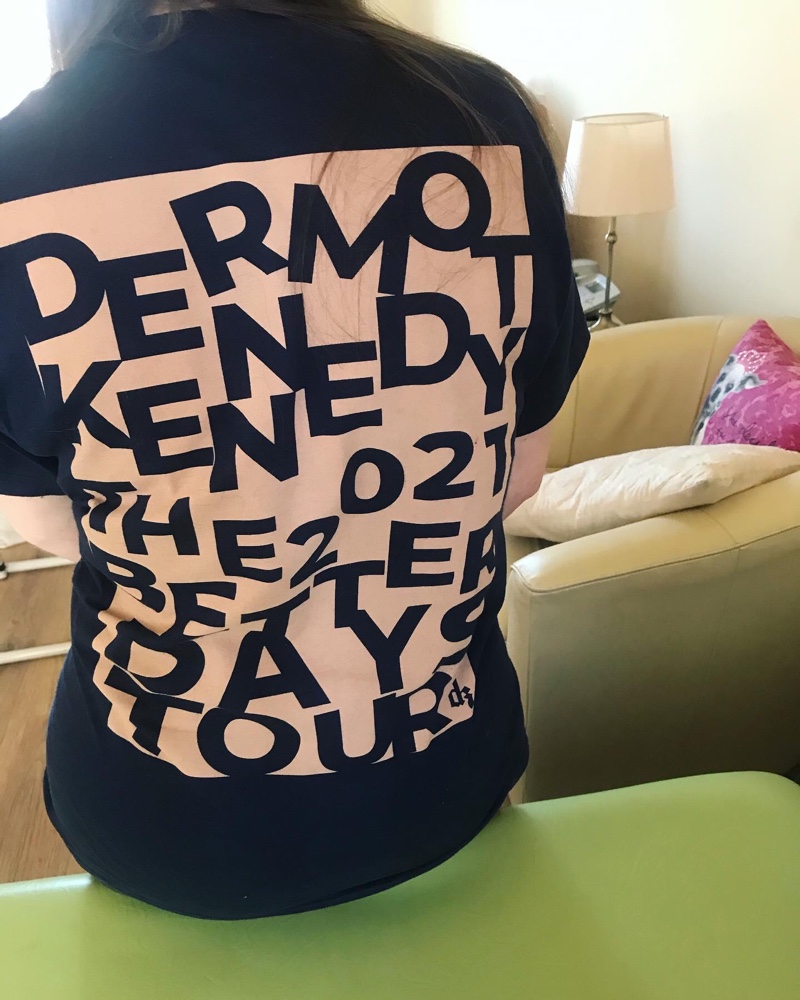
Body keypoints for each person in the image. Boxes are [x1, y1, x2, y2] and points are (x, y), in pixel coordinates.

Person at [0, 0, 589, 920]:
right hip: (436, 782)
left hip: (162, 816)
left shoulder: (20, 167)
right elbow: (513, 476)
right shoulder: (481, 115)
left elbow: (42, 520)